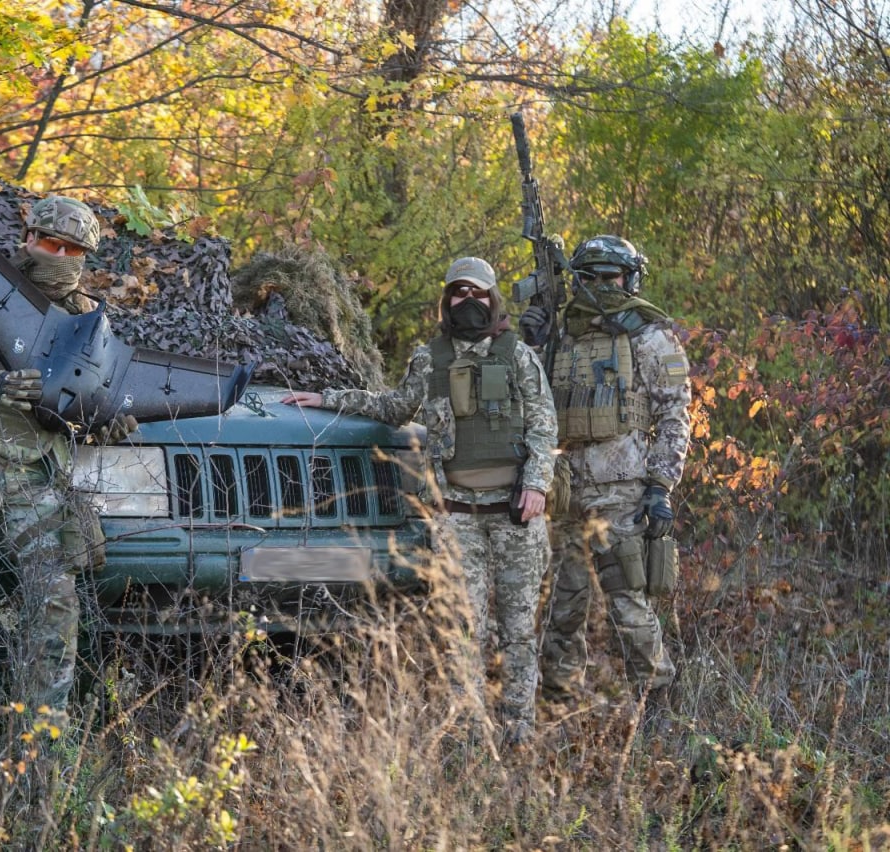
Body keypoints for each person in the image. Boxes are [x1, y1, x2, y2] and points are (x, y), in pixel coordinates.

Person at [284, 256, 557, 747]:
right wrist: (327, 398)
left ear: (492, 299)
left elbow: (543, 423)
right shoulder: (430, 358)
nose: (467, 302)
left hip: (516, 514)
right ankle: (471, 734)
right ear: (446, 299)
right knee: (462, 630)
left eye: (477, 294)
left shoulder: (517, 356)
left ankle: (520, 729)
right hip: (457, 517)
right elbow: (392, 407)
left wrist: (536, 484)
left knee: (518, 629)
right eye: (459, 293)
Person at [0, 195, 133, 735]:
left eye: (72, 249)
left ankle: (42, 746)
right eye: (48, 243)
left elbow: (103, 393)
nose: (58, 255)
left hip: (38, 470)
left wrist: (112, 418)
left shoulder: (87, 317)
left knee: (54, 610)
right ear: (28, 238)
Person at [520, 235, 692, 723]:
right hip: (565, 489)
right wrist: (529, 344)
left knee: (628, 602)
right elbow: (529, 404)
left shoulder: (650, 336)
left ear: (629, 279)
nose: (600, 287)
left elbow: (676, 415)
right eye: (590, 277)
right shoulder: (561, 336)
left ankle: (658, 706)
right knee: (562, 604)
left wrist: (661, 487)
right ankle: (558, 702)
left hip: (622, 490)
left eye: (610, 277)